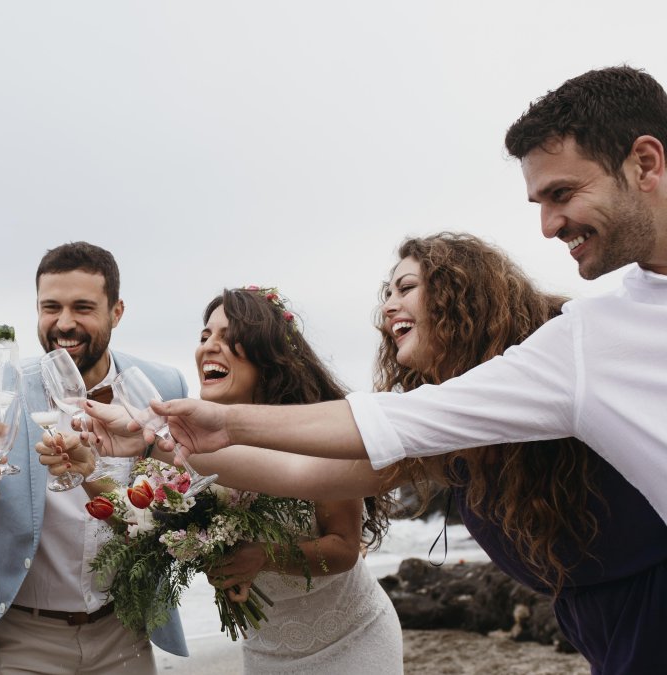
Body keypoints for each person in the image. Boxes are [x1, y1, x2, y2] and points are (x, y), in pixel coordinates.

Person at [108, 65, 667, 526]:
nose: (547, 226)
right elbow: (350, 445)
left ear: (645, 163)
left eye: (562, 193)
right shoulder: (579, 346)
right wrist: (172, 435)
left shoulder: (576, 336)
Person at [88, 233, 667, 672]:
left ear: (466, 295)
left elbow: (341, 488)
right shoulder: (447, 423)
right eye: (386, 293)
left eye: (407, 287)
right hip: (593, 616)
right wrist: (156, 444)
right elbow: (303, 472)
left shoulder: (554, 362)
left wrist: (214, 427)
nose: (388, 306)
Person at [41, 287, 402, 673]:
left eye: (230, 338)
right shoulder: (189, 442)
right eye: (205, 336)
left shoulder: (309, 431)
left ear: (268, 355)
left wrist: (262, 556)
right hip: (267, 651)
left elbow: (345, 549)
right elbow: (138, 520)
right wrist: (87, 471)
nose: (210, 346)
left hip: (351, 640)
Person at [0, 241, 188, 675]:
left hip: (125, 628)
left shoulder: (162, 383)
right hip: (25, 634)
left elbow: (179, 500)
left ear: (116, 312)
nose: (64, 323)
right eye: (51, 307)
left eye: (82, 307)